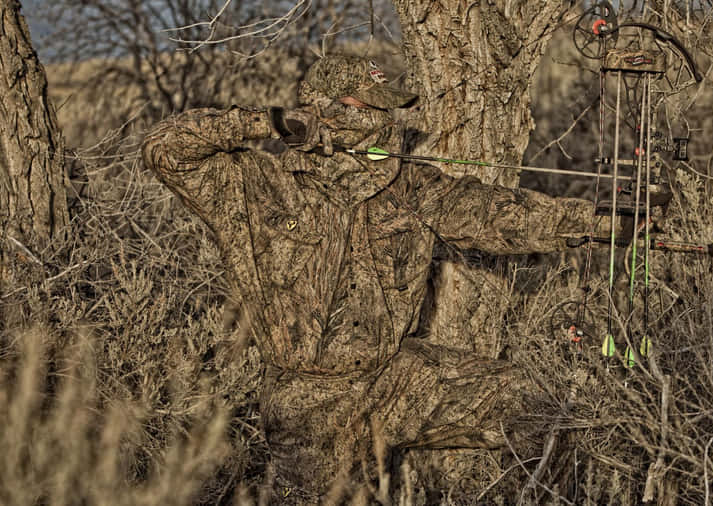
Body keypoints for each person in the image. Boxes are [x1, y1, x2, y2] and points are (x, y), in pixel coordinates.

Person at [142, 54, 631, 503]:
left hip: (393, 380)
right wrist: (268, 122)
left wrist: (603, 222)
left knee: (537, 407)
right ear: (325, 108)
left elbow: (498, 214)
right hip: (304, 402)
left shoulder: (409, 185)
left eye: (387, 108)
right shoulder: (254, 183)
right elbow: (164, 148)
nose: (384, 120)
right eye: (370, 107)